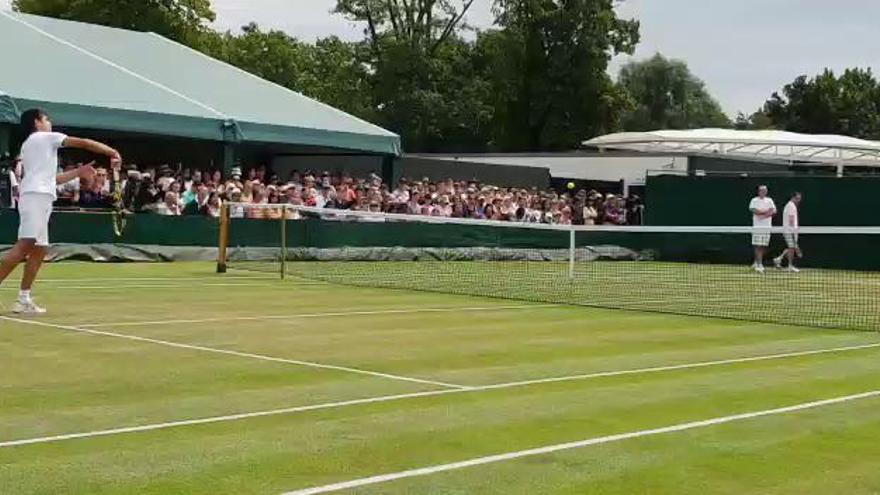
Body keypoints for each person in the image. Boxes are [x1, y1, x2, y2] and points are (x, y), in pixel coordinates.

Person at [0, 109, 119, 314]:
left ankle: (23, 299)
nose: (50, 122)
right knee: (26, 244)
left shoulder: (34, 146)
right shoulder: (44, 138)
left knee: (40, 248)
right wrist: (112, 152)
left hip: (41, 196)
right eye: (47, 119)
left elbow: (54, 180)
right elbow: (83, 142)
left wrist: (78, 172)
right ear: (37, 122)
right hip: (35, 197)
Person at [748, 184, 777, 273]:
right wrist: (765, 212)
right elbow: (753, 210)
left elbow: (773, 211)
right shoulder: (754, 200)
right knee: (757, 245)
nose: (764, 192)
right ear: (759, 191)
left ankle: (756, 262)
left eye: (765, 190)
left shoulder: (769, 200)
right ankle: (759, 264)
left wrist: (764, 215)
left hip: (767, 227)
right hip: (757, 227)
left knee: (763, 246)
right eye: (762, 190)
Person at [773, 192, 803, 272]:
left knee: (791, 247)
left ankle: (778, 259)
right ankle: (790, 265)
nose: (799, 200)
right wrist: (792, 232)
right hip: (790, 230)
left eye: (799, 198)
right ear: (792, 198)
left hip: (791, 230)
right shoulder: (791, 206)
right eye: (797, 198)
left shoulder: (791, 206)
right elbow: (791, 220)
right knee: (792, 247)